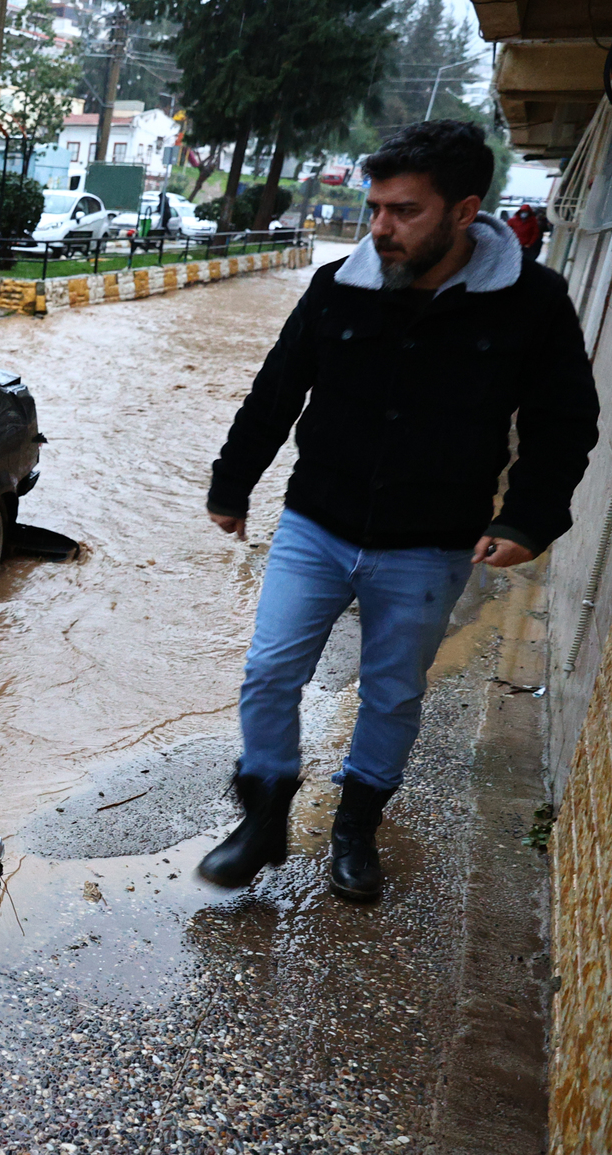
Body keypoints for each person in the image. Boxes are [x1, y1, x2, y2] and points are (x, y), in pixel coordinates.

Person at [198, 120, 599, 901]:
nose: (379, 226)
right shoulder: (334, 286)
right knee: (270, 669)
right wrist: (230, 483)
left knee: (391, 692)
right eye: (374, 207)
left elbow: (565, 420)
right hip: (316, 522)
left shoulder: (531, 302)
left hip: (431, 543)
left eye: (402, 210)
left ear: (462, 210)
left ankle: (353, 829)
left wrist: (525, 519)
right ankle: (263, 814)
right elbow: (276, 390)